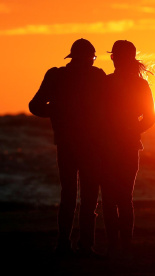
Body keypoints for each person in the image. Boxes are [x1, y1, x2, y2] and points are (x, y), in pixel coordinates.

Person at [29, 39, 106, 258]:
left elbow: (35, 106)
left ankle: (67, 245)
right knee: (86, 195)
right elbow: (35, 105)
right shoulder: (95, 76)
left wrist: (57, 112)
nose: (91, 62)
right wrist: (59, 112)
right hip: (88, 145)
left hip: (70, 144)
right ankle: (82, 245)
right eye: (90, 58)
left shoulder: (57, 76)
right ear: (87, 58)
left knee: (70, 195)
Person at [100, 40, 155, 255]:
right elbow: (150, 118)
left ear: (115, 58)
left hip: (108, 146)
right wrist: (133, 130)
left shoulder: (106, 83)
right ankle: (124, 246)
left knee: (110, 198)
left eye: (115, 56)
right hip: (127, 145)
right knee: (124, 198)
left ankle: (116, 245)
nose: (115, 59)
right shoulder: (140, 85)